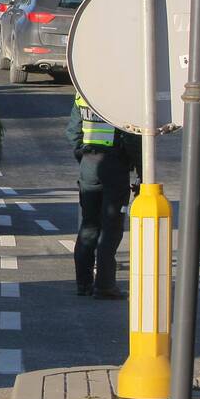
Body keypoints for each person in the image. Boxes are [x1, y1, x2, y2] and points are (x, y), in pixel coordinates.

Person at [66, 93, 141, 299]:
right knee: (111, 227)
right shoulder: (119, 94)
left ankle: (83, 284)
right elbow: (132, 137)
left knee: (89, 225)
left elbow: (72, 131)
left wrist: (84, 158)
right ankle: (105, 286)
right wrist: (143, 173)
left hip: (89, 165)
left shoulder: (84, 93)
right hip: (114, 166)